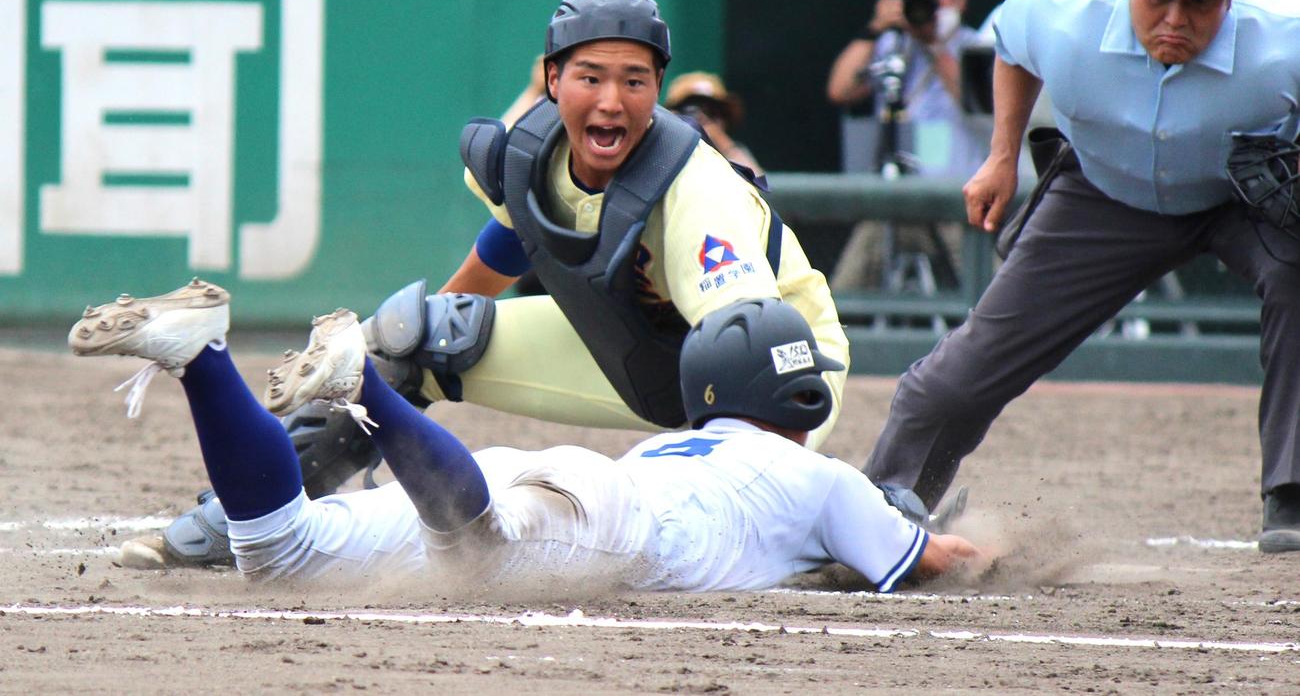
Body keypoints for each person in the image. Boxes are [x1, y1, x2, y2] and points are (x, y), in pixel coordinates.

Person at [122, 0, 852, 568]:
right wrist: (405, 349)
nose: (611, 100)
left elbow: (759, 356)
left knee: (727, 536)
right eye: (589, 77)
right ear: (552, 79)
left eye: (635, 81)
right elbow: (504, 250)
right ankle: (249, 517)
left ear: (658, 88)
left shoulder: (698, 193)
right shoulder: (534, 158)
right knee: (413, 341)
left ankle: (856, 523)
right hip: (641, 353)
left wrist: (794, 501)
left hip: (779, 386)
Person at [863, 0, 1300, 553]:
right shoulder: (1058, 1)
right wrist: (1002, 157)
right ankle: (879, 516)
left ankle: (1291, 495)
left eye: (1201, 3)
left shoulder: (1288, 30)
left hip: (1240, 195)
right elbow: (1012, 46)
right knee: (968, 366)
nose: (1176, 19)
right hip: (1106, 191)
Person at [70, 282, 984, 591]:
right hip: (604, 520)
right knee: (476, 545)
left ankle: (202, 360)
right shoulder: (816, 476)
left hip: (546, 479)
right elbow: (928, 558)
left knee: (279, 553)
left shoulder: (677, 444)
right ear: (804, 401)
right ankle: (368, 394)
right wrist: (989, 552)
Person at [826, 0, 988, 180]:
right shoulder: (893, 44)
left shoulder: (974, 45)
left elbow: (978, 103)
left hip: (955, 181)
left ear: (960, 0)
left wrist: (934, 44)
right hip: (897, 179)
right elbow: (841, 91)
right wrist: (875, 28)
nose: (929, 6)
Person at [664, 71, 763, 176]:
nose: (702, 119)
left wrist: (723, 143)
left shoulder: (730, 150)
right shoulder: (661, 148)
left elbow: (758, 184)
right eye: (690, 112)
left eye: (712, 112)